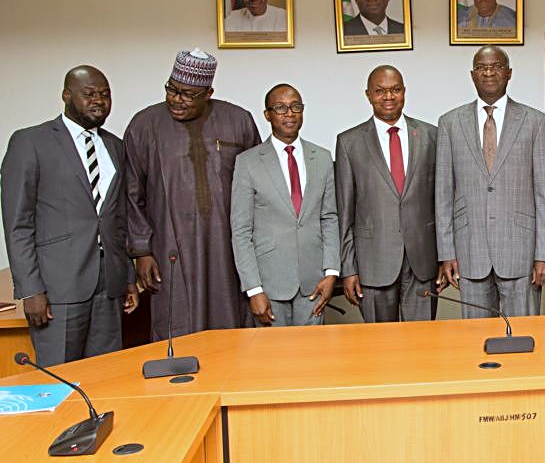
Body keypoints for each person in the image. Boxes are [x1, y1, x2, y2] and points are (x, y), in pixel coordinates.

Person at [1, 66, 138, 366]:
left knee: (106, 377)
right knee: (61, 379)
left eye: (104, 95)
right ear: (66, 95)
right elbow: (18, 225)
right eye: (88, 94)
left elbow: (117, 219)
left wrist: (128, 277)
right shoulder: (30, 142)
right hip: (57, 289)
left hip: (109, 287)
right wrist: (30, 290)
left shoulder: (114, 146)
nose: (98, 101)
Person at [125, 49, 261, 340]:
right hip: (168, 249)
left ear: (208, 93)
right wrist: (142, 251)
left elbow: (258, 188)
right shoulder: (144, 125)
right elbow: (131, 194)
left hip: (227, 249)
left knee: (233, 325)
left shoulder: (238, 120)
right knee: (176, 323)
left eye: (188, 94)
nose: (177, 99)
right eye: (171, 89)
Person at [435, 46, 545, 318]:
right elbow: (443, 194)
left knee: (523, 335)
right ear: (472, 75)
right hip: (469, 251)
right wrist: (446, 253)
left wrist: (544, 254)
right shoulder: (450, 123)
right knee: (475, 341)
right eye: (481, 67)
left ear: (509, 73)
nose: (489, 72)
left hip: (521, 252)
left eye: (496, 66)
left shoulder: (535, 122)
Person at [335, 66, 438, 322]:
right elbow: (345, 212)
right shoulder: (349, 143)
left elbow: (442, 202)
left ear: (404, 92)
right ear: (368, 95)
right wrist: (348, 269)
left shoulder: (431, 136)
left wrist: (446, 258)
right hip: (373, 264)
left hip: (423, 261)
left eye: (395, 90)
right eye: (380, 91)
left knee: (423, 345)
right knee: (380, 350)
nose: (388, 96)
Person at [230, 84, 339, 327]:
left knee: (313, 360)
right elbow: (241, 231)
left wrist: (331, 272)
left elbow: (329, 218)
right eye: (280, 108)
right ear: (267, 114)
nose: (289, 114)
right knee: (273, 361)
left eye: (295, 107)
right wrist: (253, 289)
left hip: (314, 282)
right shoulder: (248, 162)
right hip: (269, 284)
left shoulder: (321, 157)